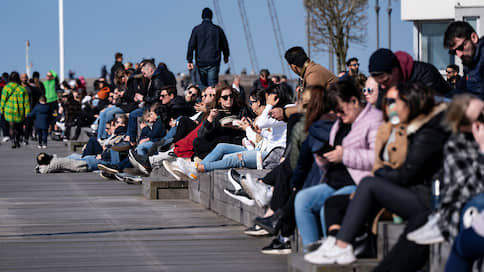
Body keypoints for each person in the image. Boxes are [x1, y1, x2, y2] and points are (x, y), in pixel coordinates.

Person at [304, 81, 449, 272]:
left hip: (428, 198)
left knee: (368, 185)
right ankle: (336, 243)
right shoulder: (405, 128)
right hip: (417, 195)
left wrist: (378, 173)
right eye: (387, 101)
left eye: (393, 101)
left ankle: (342, 245)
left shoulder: (427, 132)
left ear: (410, 102)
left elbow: (406, 172)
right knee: (322, 200)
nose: (388, 106)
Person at [294, 80, 382, 247]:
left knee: (329, 206)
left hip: (359, 182)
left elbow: (377, 158)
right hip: (335, 180)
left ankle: (332, 252)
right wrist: (325, 161)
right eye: (336, 112)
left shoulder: (374, 120)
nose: (339, 115)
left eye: (341, 110)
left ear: (354, 101)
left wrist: (345, 155)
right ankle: (311, 251)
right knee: (302, 199)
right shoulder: (341, 122)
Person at [403, 94, 484, 271]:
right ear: (469, 127)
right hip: (463, 207)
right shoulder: (458, 146)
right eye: (482, 116)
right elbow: (472, 191)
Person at [369, 48, 451, 97]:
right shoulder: (384, 85)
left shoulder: (425, 73)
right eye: (379, 83)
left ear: (395, 70)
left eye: (386, 81)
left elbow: (429, 106)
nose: (382, 87)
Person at [186, 7, 230, 89]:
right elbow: (224, 44)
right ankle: (212, 101)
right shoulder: (217, 29)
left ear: (202, 16)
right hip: (214, 61)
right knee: (212, 85)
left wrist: (189, 60)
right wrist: (226, 56)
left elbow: (191, 45)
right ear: (211, 17)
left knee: (201, 86)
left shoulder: (197, 29)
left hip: (200, 61)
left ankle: (203, 101)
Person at [444, 21, 484, 97]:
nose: (459, 54)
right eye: (453, 52)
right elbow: (460, 91)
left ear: (474, 38)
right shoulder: (470, 62)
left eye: (460, 47)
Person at [0, 72, 30, 148]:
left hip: (9, 110)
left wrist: (1, 109)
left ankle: (13, 140)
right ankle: (17, 140)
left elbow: (3, 100)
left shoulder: (6, 88)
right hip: (19, 110)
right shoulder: (22, 89)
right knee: (18, 127)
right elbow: (26, 102)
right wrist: (27, 112)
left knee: (11, 127)